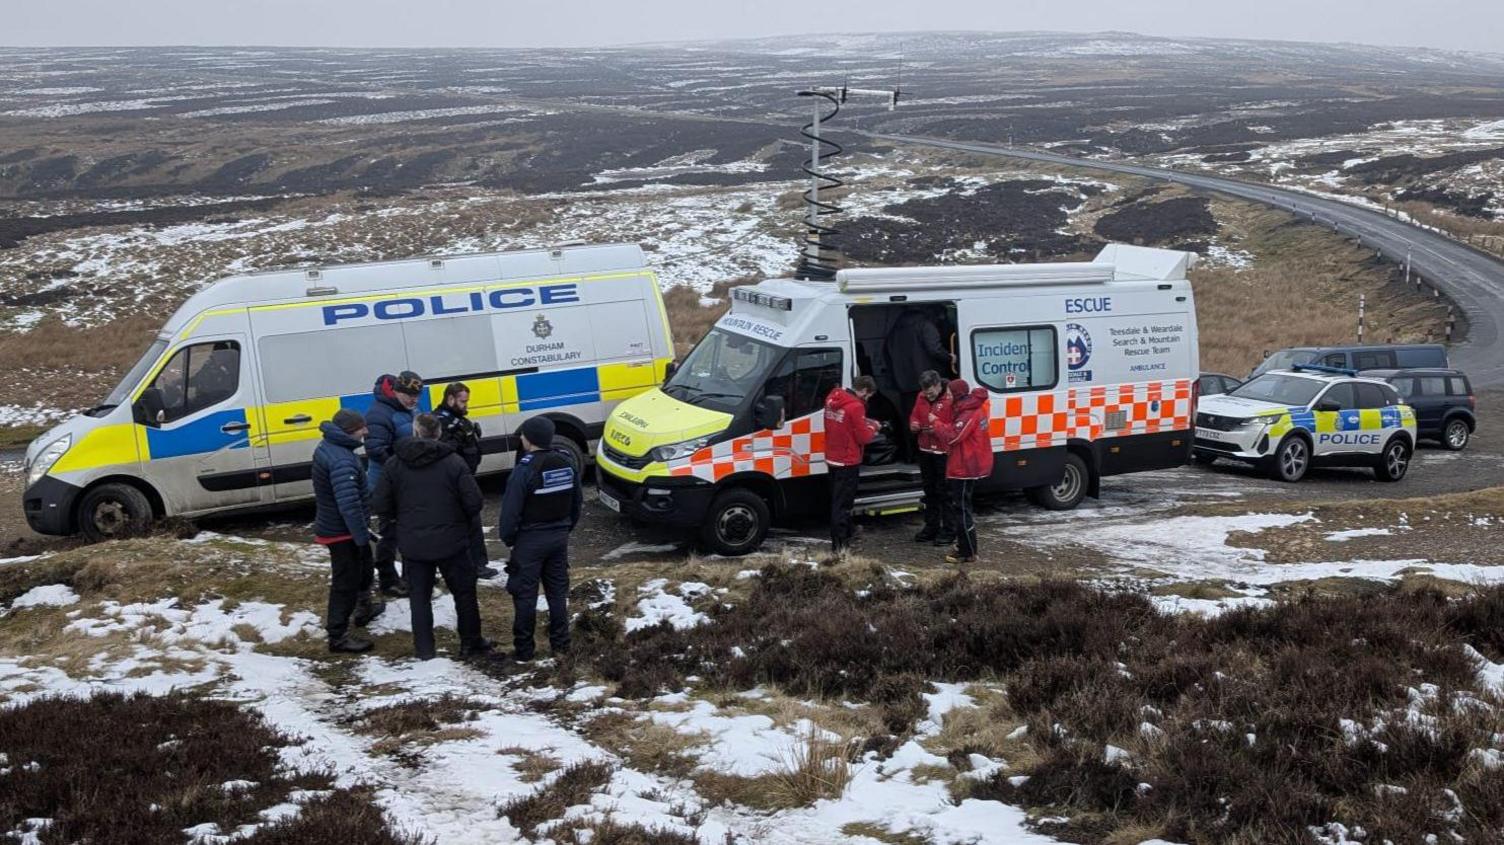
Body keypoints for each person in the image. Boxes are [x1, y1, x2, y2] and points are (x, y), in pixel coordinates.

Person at [371, 413, 489, 661]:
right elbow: (474, 502)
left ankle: (424, 650)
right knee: (465, 594)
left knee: (419, 598)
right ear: (438, 433)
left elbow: (380, 502)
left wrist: (400, 520)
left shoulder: (394, 464)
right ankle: (471, 643)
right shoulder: (453, 462)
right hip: (453, 543)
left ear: (415, 432)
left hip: (414, 545)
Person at [499, 416, 583, 663]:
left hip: (529, 541)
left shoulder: (524, 470)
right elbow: (576, 503)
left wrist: (510, 539)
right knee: (557, 593)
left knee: (525, 595)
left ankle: (524, 650)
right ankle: (561, 645)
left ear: (530, 439)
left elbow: (510, 513)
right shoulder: (567, 463)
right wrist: (565, 529)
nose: (521, 439)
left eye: (523, 435)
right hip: (558, 538)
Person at [311, 409, 383, 653]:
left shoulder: (330, 447)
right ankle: (337, 636)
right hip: (342, 532)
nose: (366, 432)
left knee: (363, 568)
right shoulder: (342, 460)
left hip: (341, 528)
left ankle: (364, 607)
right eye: (361, 428)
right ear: (349, 431)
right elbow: (349, 505)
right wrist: (361, 536)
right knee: (345, 582)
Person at [364, 371, 423, 599]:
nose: (413, 400)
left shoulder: (407, 410)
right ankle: (388, 580)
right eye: (408, 395)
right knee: (390, 533)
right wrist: (405, 466)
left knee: (409, 529)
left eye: (416, 395)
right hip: (386, 484)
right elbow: (376, 450)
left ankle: (411, 576)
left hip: (405, 481)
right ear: (396, 390)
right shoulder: (379, 413)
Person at [436, 382, 497, 580]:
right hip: (453, 483)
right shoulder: (439, 421)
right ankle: (473, 565)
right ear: (450, 399)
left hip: (467, 478)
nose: (466, 405)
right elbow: (440, 451)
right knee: (467, 524)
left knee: (473, 523)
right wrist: (457, 441)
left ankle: (478, 564)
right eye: (463, 401)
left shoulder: (460, 420)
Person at [824, 375, 881, 556]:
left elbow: (845, 423)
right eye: (869, 396)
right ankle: (840, 545)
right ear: (864, 391)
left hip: (832, 456)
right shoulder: (856, 407)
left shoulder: (833, 397)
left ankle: (847, 533)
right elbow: (863, 437)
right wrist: (874, 427)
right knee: (843, 505)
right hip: (848, 460)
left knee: (835, 500)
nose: (867, 400)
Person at [885, 308, 956, 450]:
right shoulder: (925, 325)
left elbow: (886, 353)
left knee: (911, 421)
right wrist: (950, 357)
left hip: (903, 384)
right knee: (931, 419)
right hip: (927, 382)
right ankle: (933, 451)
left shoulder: (894, 330)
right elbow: (934, 349)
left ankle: (911, 454)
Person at [945, 379, 994, 565]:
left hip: (965, 467)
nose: (947, 397)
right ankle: (964, 546)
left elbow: (953, 436)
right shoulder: (969, 408)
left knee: (962, 510)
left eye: (949, 393)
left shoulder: (969, 412)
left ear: (957, 394)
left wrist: (938, 426)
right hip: (966, 465)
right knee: (962, 507)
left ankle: (968, 551)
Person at [909, 370, 956, 546]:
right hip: (926, 449)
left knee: (946, 493)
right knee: (930, 491)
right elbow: (915, 414)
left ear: (938, 385)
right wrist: (913, 424)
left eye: (931, 393)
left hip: (943, 452)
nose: (928, 396)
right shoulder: (921, 397)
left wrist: (936, 426)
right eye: (925, 393)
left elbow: (955, 425)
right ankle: (932, 526)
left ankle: (949, 529)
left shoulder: (951, 398)